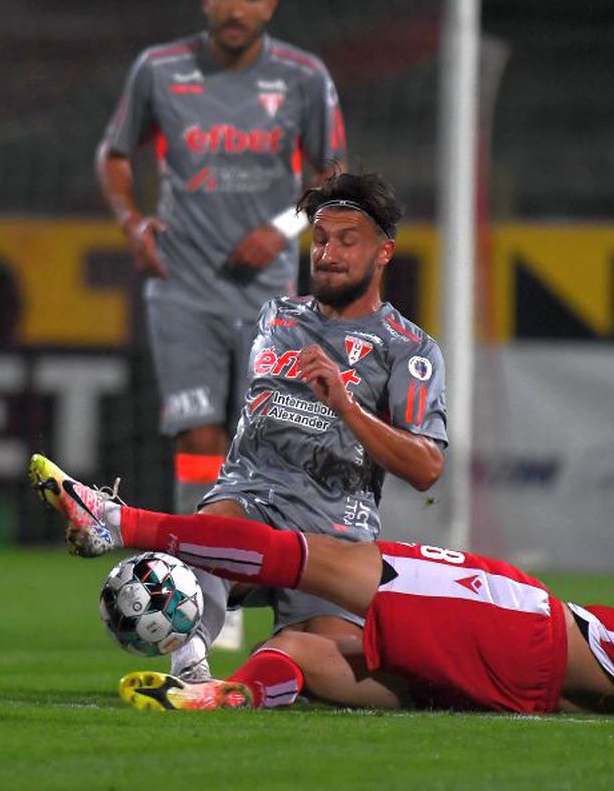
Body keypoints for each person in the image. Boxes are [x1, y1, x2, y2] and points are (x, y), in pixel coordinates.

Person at [32, 470, 614, 720]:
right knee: (313, 644)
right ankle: (219, 694)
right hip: (528, 692)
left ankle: (120, 522)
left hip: (527, 625)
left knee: (315, 558)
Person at [57, 167, 448, 681]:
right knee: (217, 529)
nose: (327, 255)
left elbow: (426, 468)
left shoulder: (410, 349)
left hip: (336, 531)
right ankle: (189, 660)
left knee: (335, 668)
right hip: (252, 500)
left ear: (384, 252)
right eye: (321, 239)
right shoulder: (276, 319)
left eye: (347, 242)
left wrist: (348, 408)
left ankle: (272, 656)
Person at [96, 0, 346, 517]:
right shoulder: (159, 70)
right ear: (205, 0)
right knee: (197, 439)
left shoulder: (303, 76)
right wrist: (133, 224)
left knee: (262, 431)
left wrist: (283, 229)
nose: (236, 8)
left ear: (270, 5)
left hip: (270, 290)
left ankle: (256, 561)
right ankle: (205, 582)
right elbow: (113, 154)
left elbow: (332, 173)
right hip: (181, 281)